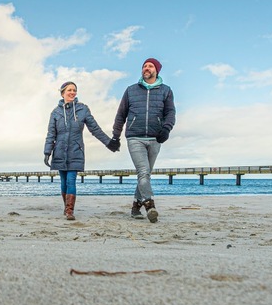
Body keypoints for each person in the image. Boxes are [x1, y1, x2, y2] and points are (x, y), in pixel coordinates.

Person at [106, 57, 176, 222]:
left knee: (145, 175)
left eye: (150, 66)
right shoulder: (131, 90)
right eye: (144, 66)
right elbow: (121, 114)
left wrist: (166, 129)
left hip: (155, 137)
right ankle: (150, 206)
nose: (147, 68)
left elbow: (170, 113)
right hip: (135, 137)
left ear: (156, 70)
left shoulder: (166, 90)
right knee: (143, 172)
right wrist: (115, 136)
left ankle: (135, 208)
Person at [43, 81, 114, 221]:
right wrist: (47, 152)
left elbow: (95, 129)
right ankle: (66, 207)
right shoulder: (55, 112)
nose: (72, 92)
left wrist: (109, 142)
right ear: (62, 93)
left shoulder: (83, 109)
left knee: (71, 180)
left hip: (76, 150)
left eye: (74, 90)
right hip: (59, 151)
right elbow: (51, 134)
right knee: (63, 181)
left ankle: (69, 211)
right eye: (69, 90)